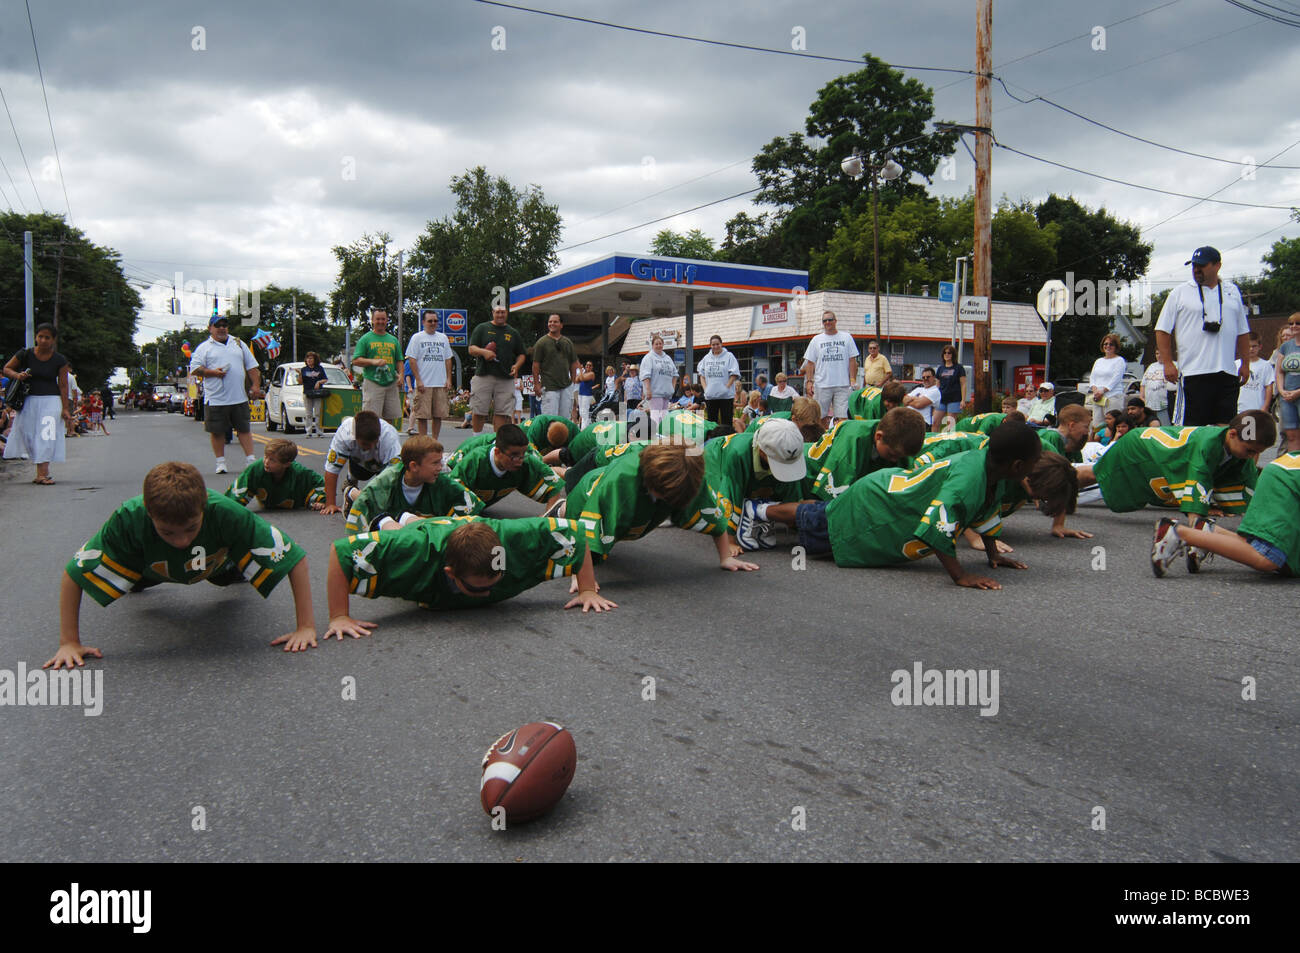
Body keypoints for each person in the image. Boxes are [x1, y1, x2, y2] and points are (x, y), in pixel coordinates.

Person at [47, 461, 317, 669]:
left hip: (215, 565)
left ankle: (233, 569)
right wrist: (69, 642)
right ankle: (138, 577)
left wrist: (305, 626)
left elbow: (294, 557)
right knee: (134, 582)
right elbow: (74, 574)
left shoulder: (226, 512)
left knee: (228, 576)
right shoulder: (128, 518)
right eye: (168, 532)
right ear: (149, 512)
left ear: (204, 508)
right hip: (150, 566)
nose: (182, 541)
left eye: (191, 528)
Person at [740, 422, 1052, 590]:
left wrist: (993, 553)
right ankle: (760, 510)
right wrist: (961, 576)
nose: (1035, 466)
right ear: (1016, 465)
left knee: (820, 523)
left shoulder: (992, 472)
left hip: (889, 503)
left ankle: (764, 511)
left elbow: (986, 512)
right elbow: (939, 523)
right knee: (818, 521)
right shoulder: (971, 478)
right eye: (1034, 461)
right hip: (876, 503)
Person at [323, 516, 614, 637]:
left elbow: (575, 530)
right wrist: (338, 616)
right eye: (477, 589)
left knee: (428, 520)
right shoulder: (416, 553)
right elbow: (341, 552)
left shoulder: (510, 542)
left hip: (470, 526)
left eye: (493, 585)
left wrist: (586, 589)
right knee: (402, 530)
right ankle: (385, 517)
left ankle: (410, 515)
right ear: (450, 573)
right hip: (425, 535)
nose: (487, 595)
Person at [552, 442, 756, 595]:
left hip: (638, 507)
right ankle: (561, 510)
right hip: (589, 493)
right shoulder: (621, 480)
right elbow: (587, 527)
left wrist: (725, 557)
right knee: (578, 540)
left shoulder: (689, 476)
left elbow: (713, 516)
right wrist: (583, 582)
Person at [1075, 411, 1274, 527]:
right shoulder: (1208, 444)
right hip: (1140, 452)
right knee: (1098, 475)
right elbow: (1198, 477)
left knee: (1098, 476)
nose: (1251, 457)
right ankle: (1050, 485)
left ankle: (1059, 491)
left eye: (1256, 453)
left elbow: (1251, 488)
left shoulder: (1237, 449)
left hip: (1160, 460)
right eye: (1249, 451)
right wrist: (1197, 527)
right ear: (1231, 434)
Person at [1152, 452, 1300, 577]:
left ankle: (1208, 531)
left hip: (1285, 470)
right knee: (1268, 556)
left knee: (1286, 560)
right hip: (1287, 479)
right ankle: (1178, 533)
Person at [1156, 246, 1251, 425]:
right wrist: (1168, 363)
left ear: (1217, 266)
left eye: (1202, 265)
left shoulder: (1232, 291)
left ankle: (1219, 455)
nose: (1196, 270)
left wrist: (1245, 363)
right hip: (1194, 373)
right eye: (1194, 266)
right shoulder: (1180, 292)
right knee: (1193, 429)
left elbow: (1243, 331)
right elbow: (1162, 330)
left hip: (1226, 372)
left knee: (1224, 428)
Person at [705, 418, 809, 551]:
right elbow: (729, 494)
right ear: (761, 451)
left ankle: (754, 509)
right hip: (714, 462)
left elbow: (792, 491)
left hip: (747, 468)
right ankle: (748, 509)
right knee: (721, 499)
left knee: (778, 482)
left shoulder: (788, 448)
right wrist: (729, 541)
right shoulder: (738, 453)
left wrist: (796, 522)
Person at [344, 436, 483, 533]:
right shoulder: (385, 482)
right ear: (414, 466)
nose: (440, 467)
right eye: (435, 463)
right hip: (387, 519)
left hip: (410, 522)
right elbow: (361, 515)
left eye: (440, 462)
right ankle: (351, 493)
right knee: (386, 521)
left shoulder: (442, 481)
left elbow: (473, 509)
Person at [188, 313, 262, 475]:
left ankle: (250, 459)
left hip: (239, 396)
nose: (222, 328)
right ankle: (220, 462)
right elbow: (195, 368)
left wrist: (256, 385)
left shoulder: (238, 343)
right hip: (216, 398)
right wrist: (213, 372)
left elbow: (252, 367)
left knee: (244, 429)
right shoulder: (204, 348)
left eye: (224, 325)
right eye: (218, 325)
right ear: (210, 329)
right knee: (217, 431)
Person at [2, 323, 73, 484]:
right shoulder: (25, 354)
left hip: (51, 401)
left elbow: (63, 385)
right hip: (28, 401)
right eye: (40, 336)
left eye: (47, 337)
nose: (43, 340)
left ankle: (42, 474)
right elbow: (7, 369)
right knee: (29, 436)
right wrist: (17, 375)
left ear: (53, 340)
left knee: (46, 436)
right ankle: (42, 471)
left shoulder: (59, 360)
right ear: (36, 337)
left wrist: (65, 409)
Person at [802, 409, 927, 501]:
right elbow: (834, 501)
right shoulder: (852, 443)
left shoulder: (894, 437)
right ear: (878, 437)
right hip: (807, 473)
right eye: (893, 455)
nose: (896, 460)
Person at [446, 422, 564, 509]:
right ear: (497, 452)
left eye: (522, 455)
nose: (519, 461)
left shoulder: (527, 458)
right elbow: (448, 493)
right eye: (514, 456)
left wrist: (547, 517)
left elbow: (554, 486)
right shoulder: (473, 460)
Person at [319, 410, 404, 516]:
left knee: (384, 496)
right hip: (358, 463)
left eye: (375, 442)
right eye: (366, 443)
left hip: (383, 465)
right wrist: (330, 503)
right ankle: (351, 479)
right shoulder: (345, 433)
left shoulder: (389, 438)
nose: (371, 446)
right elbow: (332, 469)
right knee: (360, 474)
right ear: (355, 436)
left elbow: (395, 475)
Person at [467, 305, 527, 433]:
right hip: (484, 375)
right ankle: (476, 438)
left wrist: (516, 366)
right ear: (493, 313)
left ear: (507, 314)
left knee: (503, 413)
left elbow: (521, 354)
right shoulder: (482, 328)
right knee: (479, 410)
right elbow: (471, 349)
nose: (500, 315)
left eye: (503, 312)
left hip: (505, 377)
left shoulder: (513, 332)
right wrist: (484, 352)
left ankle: (497, 441)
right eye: (498, 312)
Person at [227, 438, 327, 510]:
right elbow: (238, 490)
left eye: (272, 460)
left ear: (287, 464)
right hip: (267, 503)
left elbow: (322, 484)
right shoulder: (256, 468)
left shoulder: (299, 471)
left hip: (294, 503)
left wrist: (322, 501)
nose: (266, 462)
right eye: (265, 457)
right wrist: (230, 509)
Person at [803, 311, 860, 427]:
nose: (827, 322)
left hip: (842, 384)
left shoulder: (847, 337)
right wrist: (809, 381)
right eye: (825, 320)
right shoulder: (816, 340)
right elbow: (810, 363)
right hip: (822, 384)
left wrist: (853, 379)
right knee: (819, 417)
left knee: (843, 418)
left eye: (830, 320)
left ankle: (839, 441)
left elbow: (852, 360)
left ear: (835, 321)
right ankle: (823, 440)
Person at [351, 309, 404, 427]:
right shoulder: (366, 339)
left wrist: (401, 375)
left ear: (387, 321)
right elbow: (356, 360)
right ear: (372, 321)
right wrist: (373, 362)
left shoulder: (393, 340)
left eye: (383, 319)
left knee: (390, 416)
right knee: (372, 417)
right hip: (373, 382)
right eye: (378, 319)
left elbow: (399, 360)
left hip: (390, 382)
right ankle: (372, 442)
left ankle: (386, 441)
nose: (380, 321)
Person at [406, 312, 454, 439]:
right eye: (430, 321)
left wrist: (449, 379)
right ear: (423, 322)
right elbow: (412, 360)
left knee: (438, 415)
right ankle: (423, 442)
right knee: (422, 415)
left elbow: (448, 359)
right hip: (424, 384)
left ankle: (434, 441)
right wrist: (418, 380)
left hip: (440, 383)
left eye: (435, 321)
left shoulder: (443, 337)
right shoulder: (417, 338)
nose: (433, 323)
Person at [530, 314, 578, 422]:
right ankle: (549, 438)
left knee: (565, 419)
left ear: (561, 325)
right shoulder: (541, 343)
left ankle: (563, 439)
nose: (552, 324)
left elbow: (573, 363)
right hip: (549, 386)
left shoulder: (567, 342)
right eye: (550, 321)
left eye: (555, 322)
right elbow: (535, 365)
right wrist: (536, 384)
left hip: (566, 385)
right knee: (550, 419)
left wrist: (573, 381)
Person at [696, 335, 740, 434]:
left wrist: (727, 387)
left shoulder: (729, 356)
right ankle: (712, 441)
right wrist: (705, 389)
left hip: (726, 396)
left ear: (721, 344)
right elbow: (701, 374)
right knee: (712, 422)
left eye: (717, 344)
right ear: (710, 345)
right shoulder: (706, 358)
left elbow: (734, 374)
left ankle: (728, 441)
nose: (715, 346)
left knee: (726, 421)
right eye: (713, 344)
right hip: (711, 396)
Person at [1086, 333, 1127, 430]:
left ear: (1116, 346)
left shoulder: (1119, 360)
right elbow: (1092, 377)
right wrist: (1095, 390)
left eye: (1111, 344)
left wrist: (1103, 391)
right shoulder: (1098, 361)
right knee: (1097, 424)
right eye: (1106, 344)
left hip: (1112, 396)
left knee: (1112, 424)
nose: (1108, 346)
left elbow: (1116, 378)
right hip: (1098, 397)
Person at [1234, 330, 1274, 414]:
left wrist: (1265, 407)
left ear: (1260, 347)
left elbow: (1268, 387)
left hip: (1257, 408)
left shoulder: (1266, 365)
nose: (1251, 349)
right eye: (1248, 346)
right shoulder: (1236, 364)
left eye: (1254, 346)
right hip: (1238, 408)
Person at [1276, 314, 1300, 453]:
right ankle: (1295, 467)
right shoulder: (1285, 347)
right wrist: (1281, 390)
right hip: (1286, 397)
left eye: (1298, 323)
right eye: (1291, 324)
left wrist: (1297, 392)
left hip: (1298, 393)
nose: (1294, 326)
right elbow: (1279, 371)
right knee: (1291, 436)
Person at [639, 335, 678, 421]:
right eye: (656, 344)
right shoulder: (648, 357)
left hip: (666, 393)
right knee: (656, 415)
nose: (658, 346)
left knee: (664, 416)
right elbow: (646, 375)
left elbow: (675, 374)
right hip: (655, 393)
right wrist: (648, 390)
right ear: (652, 345)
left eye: (660, 343)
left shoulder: (668, 358)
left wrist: (672, 388)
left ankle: (661, 433)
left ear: (663, 345)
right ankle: (655, 433)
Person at [935, 345, 966, 431]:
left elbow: (963, 384)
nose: (947, 354)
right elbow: (937, 385)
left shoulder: (959, 368)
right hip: (941, 399)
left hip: (954, 399)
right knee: (935, 421)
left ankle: (949, 441)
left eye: (949, 353)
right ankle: (934, 441)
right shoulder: (940, 368)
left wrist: (963, 400)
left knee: (950, 423)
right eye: (945, 353)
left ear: (953, 355)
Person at [299, 351, 329, 438]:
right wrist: (300, 375)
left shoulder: (319, 368)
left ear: (315, 359)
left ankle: (319, 431)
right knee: (308, 413)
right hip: (307, 392)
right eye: (308, 358)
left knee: (318, 413)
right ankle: (308, 431)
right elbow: (300, 382)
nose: (309, 360)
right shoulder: (304, 369)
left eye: (311, 358)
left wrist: (319, 382)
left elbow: (325, 379)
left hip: (317, 393)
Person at [1140, 357, 1174, 426]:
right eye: (1157, 353)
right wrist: (1142, 396)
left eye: (1161, 353)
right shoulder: (1152, 366)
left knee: (1165, 427)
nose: (1159, 356)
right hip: (1150, 405)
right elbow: (1143, 384)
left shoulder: (1173, 365)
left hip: (1164, 405)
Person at [576, 360, 597, 426]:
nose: (588, 366)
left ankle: (584, 428)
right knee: (581, 413)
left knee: (585, 412)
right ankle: (583, 427)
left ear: (592, 367)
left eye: (590, 365)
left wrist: (580, 369)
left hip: (587, 395)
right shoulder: (583, 373)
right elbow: (576, 380)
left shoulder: (592, 374)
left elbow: (581, 379)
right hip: (581, 394)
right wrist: (581, 372)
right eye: (587, 365)